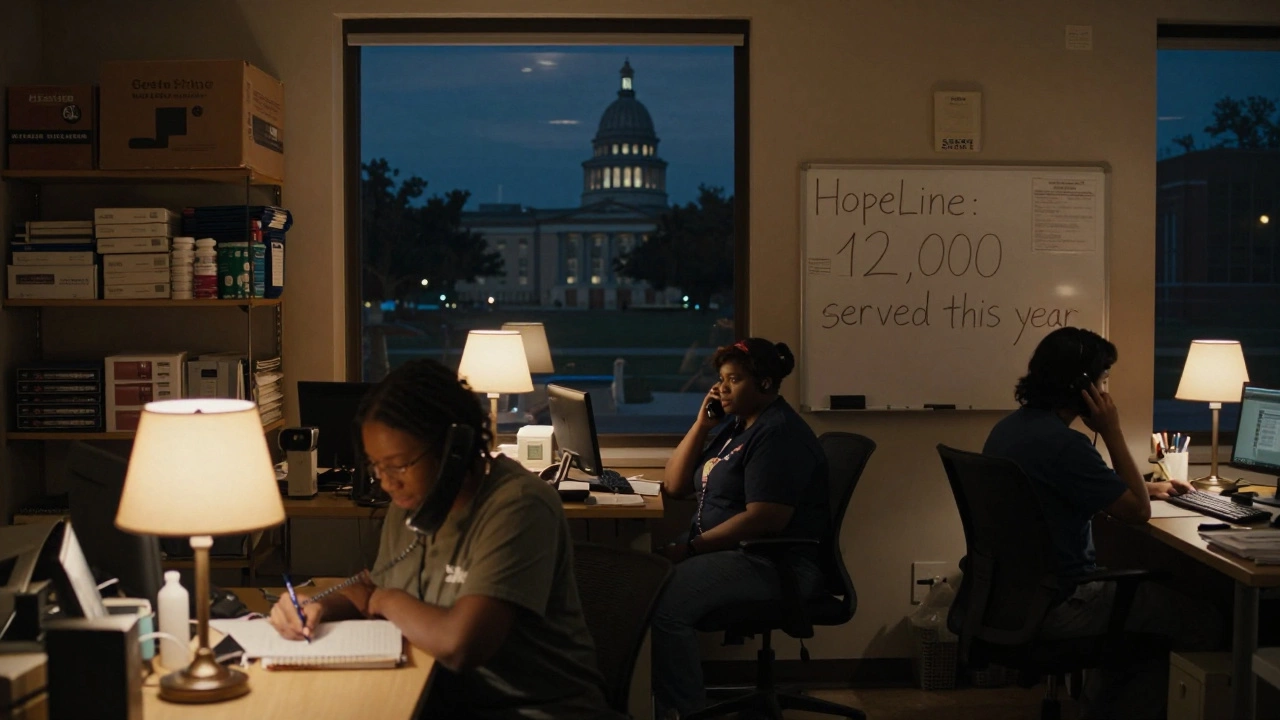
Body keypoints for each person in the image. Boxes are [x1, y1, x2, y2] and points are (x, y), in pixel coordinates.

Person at [268, 359, 622, 720]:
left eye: (398, 465)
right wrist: (317, 606)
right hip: (444, 699)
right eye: (377, 466)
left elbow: (459, 644)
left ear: (454, 448)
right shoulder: (414, 501)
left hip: (535, 710)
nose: (387, 482)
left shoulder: (518, 506)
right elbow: (373, 584)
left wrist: (385, 599)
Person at [983, 326, 1215, 719]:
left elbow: (1086, 489)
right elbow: (1137, 513)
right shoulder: (1065, 445)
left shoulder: (1012, 429)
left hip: (1019, 598)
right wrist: (1112, 431)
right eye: (1103, 379)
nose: (1107, 392)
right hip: (1065, 601)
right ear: (1083, 386)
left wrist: (1148, 486)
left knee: (1140, 615)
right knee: (1205, 621)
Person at [653, 338, 830, 719]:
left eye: (733, 380)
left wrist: (691, 549)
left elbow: (765, 518)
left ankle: (686, 712)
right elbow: (676, 485)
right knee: (642, 579)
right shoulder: (737, 426)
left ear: (764, 384)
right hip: (734, 553)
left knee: (664, 606)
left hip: (774, 562)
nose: (721, 388)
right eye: (720, 379)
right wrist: (702, 424)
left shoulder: (778, 434)